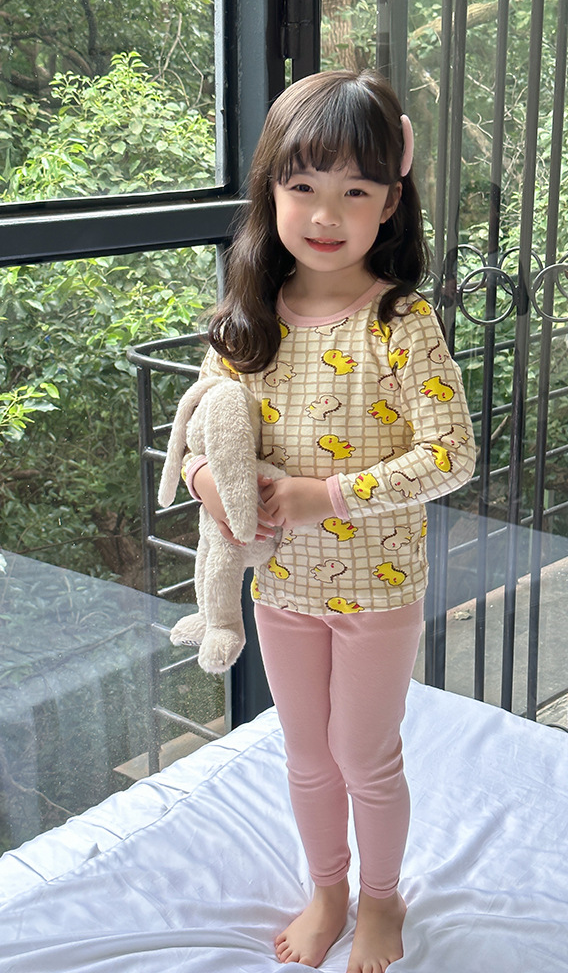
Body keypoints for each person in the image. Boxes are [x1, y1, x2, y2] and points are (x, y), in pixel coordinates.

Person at [183, 69, 475, 973]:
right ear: (270, 189)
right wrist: (205, 481)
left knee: (364, 755)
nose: (325, 213)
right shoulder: (247, 320)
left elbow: (452, 456)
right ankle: (328, 889)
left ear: (390, 202)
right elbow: (199, 431)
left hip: (377, 588)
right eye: (303, 185)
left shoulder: (401, 321)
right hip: (280, 583)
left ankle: (382, 900)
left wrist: (327, 495)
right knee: (306, 754)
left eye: (355, 190)